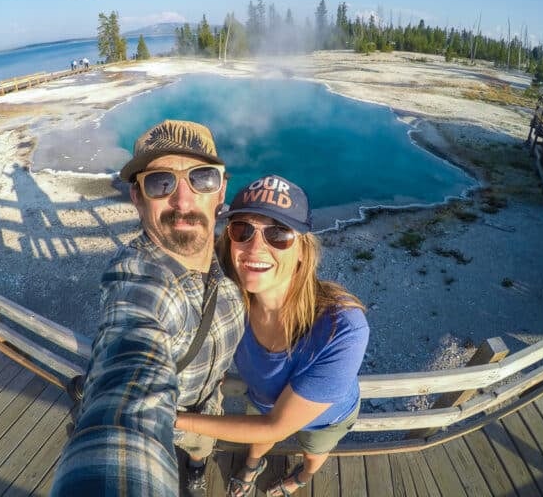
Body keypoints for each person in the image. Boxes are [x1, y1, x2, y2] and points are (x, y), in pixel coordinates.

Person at [51, 120, 245, 497]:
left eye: (201, 179)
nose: (184, 201)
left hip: (207, 408)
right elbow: (131, 360)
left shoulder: (229, 257)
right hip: (167, 420)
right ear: (137, 198)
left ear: (221, 190)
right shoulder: (139, 282)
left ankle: (196, 470)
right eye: (160, 183)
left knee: (200, 450)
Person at [175, 175, 369, 497]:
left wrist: (174, 419)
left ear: (304, 252)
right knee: (257, 442)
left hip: (327, 417)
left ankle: (302, 477)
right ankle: (253, 465)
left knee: (313, 450)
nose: (255, 247)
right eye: (242, 230)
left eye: (279, 234)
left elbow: (278, 426)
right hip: (263, 402)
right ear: (230, 241)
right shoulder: (228, 300)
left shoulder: (343, 327)